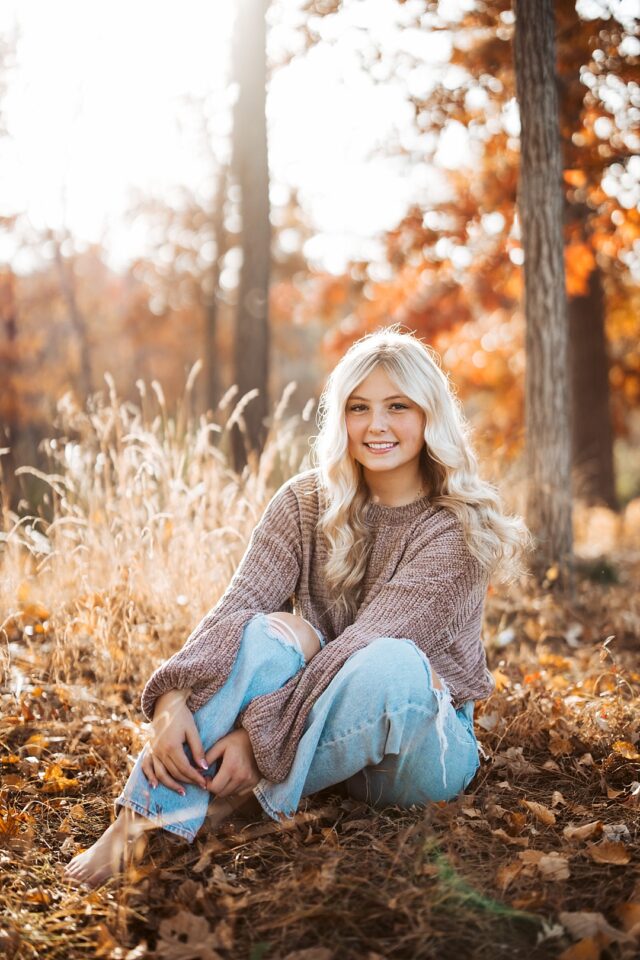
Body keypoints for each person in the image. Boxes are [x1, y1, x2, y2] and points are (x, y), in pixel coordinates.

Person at [65, 325, 529, 887]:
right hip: (321, 739)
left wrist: (258, 743)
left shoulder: (453, 529)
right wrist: (172, 698)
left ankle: (225, 799)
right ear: (341, 418)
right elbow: (235, 609)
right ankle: (136, 824)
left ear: (431, 416)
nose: (376, 425)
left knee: (391, 661)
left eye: (397, 406)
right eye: (359, 407)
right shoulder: (305, 501)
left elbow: (364, 647)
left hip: (416, 750)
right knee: (271, 631)